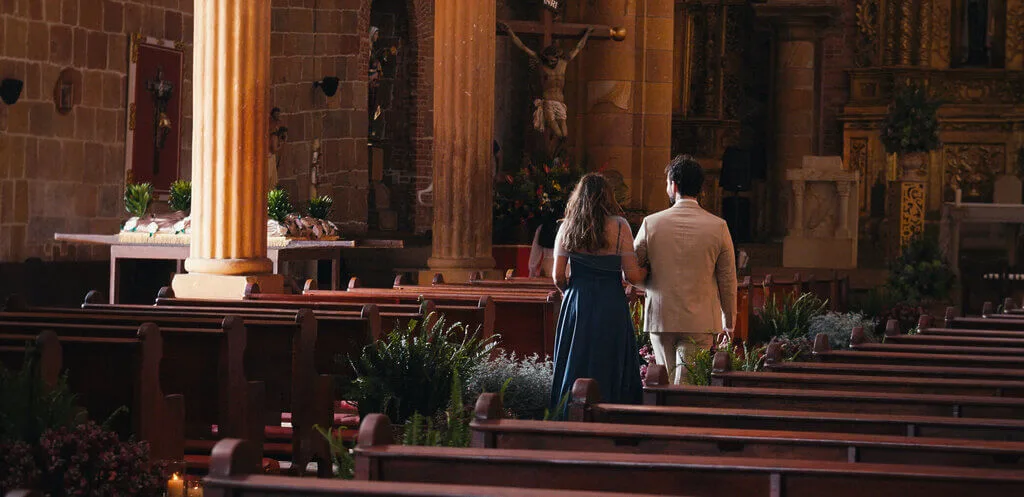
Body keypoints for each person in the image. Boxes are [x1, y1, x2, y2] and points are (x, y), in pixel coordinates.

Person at [634, 155, 737, 385]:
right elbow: (727, 279)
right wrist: (729, 321)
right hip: (700, 319)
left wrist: (650, 285)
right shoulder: (718, 227)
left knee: (664, 383)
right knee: (688, 386)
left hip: (661, 316)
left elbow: (631, 270)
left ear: (673, 185)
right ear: (700, 188)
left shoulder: (651, 223)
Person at [550, 173, 646, 413]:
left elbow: (558, 276)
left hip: (578, 300)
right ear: (608, 197)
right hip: (610, 299)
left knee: (576, 359)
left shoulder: (567, 226)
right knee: (610, 358)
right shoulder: (620, 225)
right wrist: (650, 271)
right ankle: (614, 414)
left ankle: (571, 412)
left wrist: (570, 292)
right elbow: (632, 276)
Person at [499, 22, 594, 139]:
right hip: (548, 102)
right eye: (549, 61)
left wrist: (587, 34)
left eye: (553, 61)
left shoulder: (564, 63)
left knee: (565, 134)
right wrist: (509, 31)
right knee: (558, 132)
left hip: (560, 102)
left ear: (557, 58)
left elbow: (578, 47)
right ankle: (557, 140)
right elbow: (523, 47)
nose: (551, 63)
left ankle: (559, 145)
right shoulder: (542, 64)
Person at [528, 212, 559, 278]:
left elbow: (535, 252)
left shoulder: (542, 227)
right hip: (564, 266)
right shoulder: (567, 228)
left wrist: (532, 272)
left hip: (546, 266)